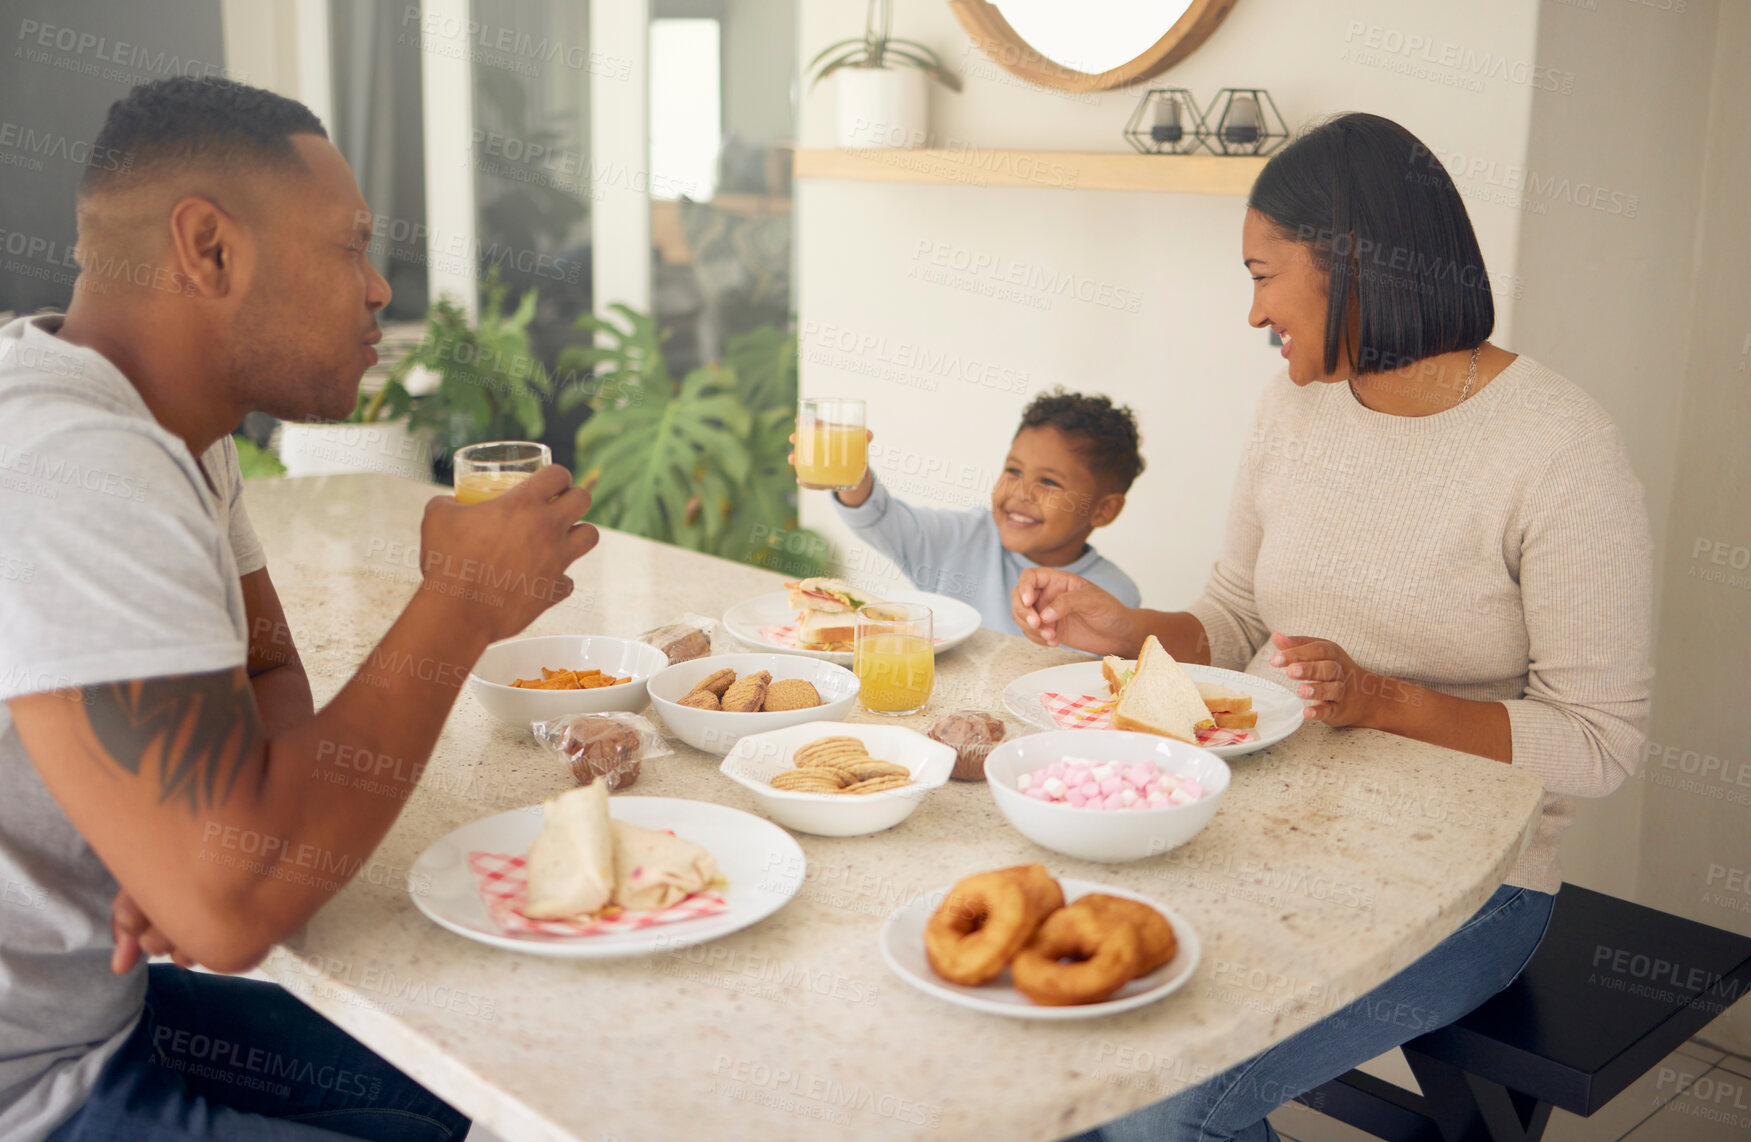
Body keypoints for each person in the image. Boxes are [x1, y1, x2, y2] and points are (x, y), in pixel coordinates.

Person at [1012, 113, 1652, 1141]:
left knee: (1165, 1102)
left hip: (1468, 881)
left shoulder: (1558, 450)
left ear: (1350, 259)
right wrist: (1121, 623)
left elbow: (1597, 742)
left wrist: (1379, 700)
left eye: (1262, 273)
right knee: (1058, 1042)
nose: (1251, 310)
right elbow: (1232, 615)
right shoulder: (1292, 408)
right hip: (1258, 825)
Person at [0, 78, 599, 1141]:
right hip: (34, 1092)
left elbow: (270, 676)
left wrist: (210, 849)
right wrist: (458, 606)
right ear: (209, 249)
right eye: (348, 246)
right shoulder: (74, 462)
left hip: (110, 1013)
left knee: (511, 1092)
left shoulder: (178, 433)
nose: (377, 288)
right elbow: (229, 915)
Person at [793, 389, 1145, 635]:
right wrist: (850, 476)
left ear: (1104, 510)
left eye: (1050, 482)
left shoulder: (1115, 596)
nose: (1021, 493)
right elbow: (882, 519)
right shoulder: (960, 539)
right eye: (1014, 471)